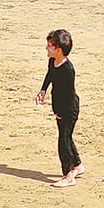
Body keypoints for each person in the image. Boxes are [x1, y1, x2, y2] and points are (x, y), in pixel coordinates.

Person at [37, 29, 83, 188]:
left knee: (63, 141)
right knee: (66, 137)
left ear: (58, 49)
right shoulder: (53, 61)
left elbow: (67, 95)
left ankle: (69, 175)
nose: (46, 48)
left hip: (68, 108)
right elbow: (50, 75)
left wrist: (59, 113)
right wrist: (43, 90)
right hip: (60, 106)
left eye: (49, 46)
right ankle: (77, 165)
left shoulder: (68, 70)